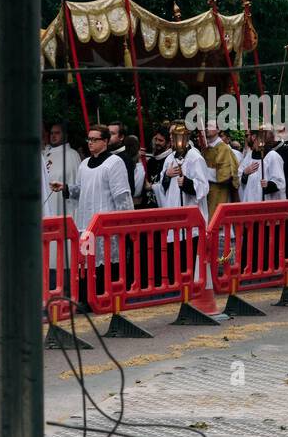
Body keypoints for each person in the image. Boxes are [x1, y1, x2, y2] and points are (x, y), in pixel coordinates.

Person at [53, 125, 133, 306]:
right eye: (89, 139)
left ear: (105, 141)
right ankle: (87, 300)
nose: (90, 143)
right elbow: (81, 190)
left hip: (107, 226)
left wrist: (126, 223)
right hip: (86, 225)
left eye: (94, 139)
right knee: (86, 264)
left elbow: (122, 196)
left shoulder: (114, 163)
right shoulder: (84, 164)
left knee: (106, 264)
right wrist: (66, 188)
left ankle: (106, 300)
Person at [152, 122, 210, 285]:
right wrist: (167, 175)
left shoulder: (195, 158)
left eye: (176, 136)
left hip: (190, 215)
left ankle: (189, 285)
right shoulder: (170, 158)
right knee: (174, 254)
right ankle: (176, 284)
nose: (173, 139)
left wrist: (187, 183)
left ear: (185, 138)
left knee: (188, 253)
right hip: (173, 212)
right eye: (171, 136)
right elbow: (162, 185)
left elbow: (204, 186)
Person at [201, 120, 238, 215]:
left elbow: (225, 175)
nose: (207, 128)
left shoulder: (224, 148)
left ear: (218, 130)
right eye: (206, 126)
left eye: (210, 126)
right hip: (207, 192)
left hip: (219, 192)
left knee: (216, 219)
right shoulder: (206, 148)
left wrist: (202, 171)